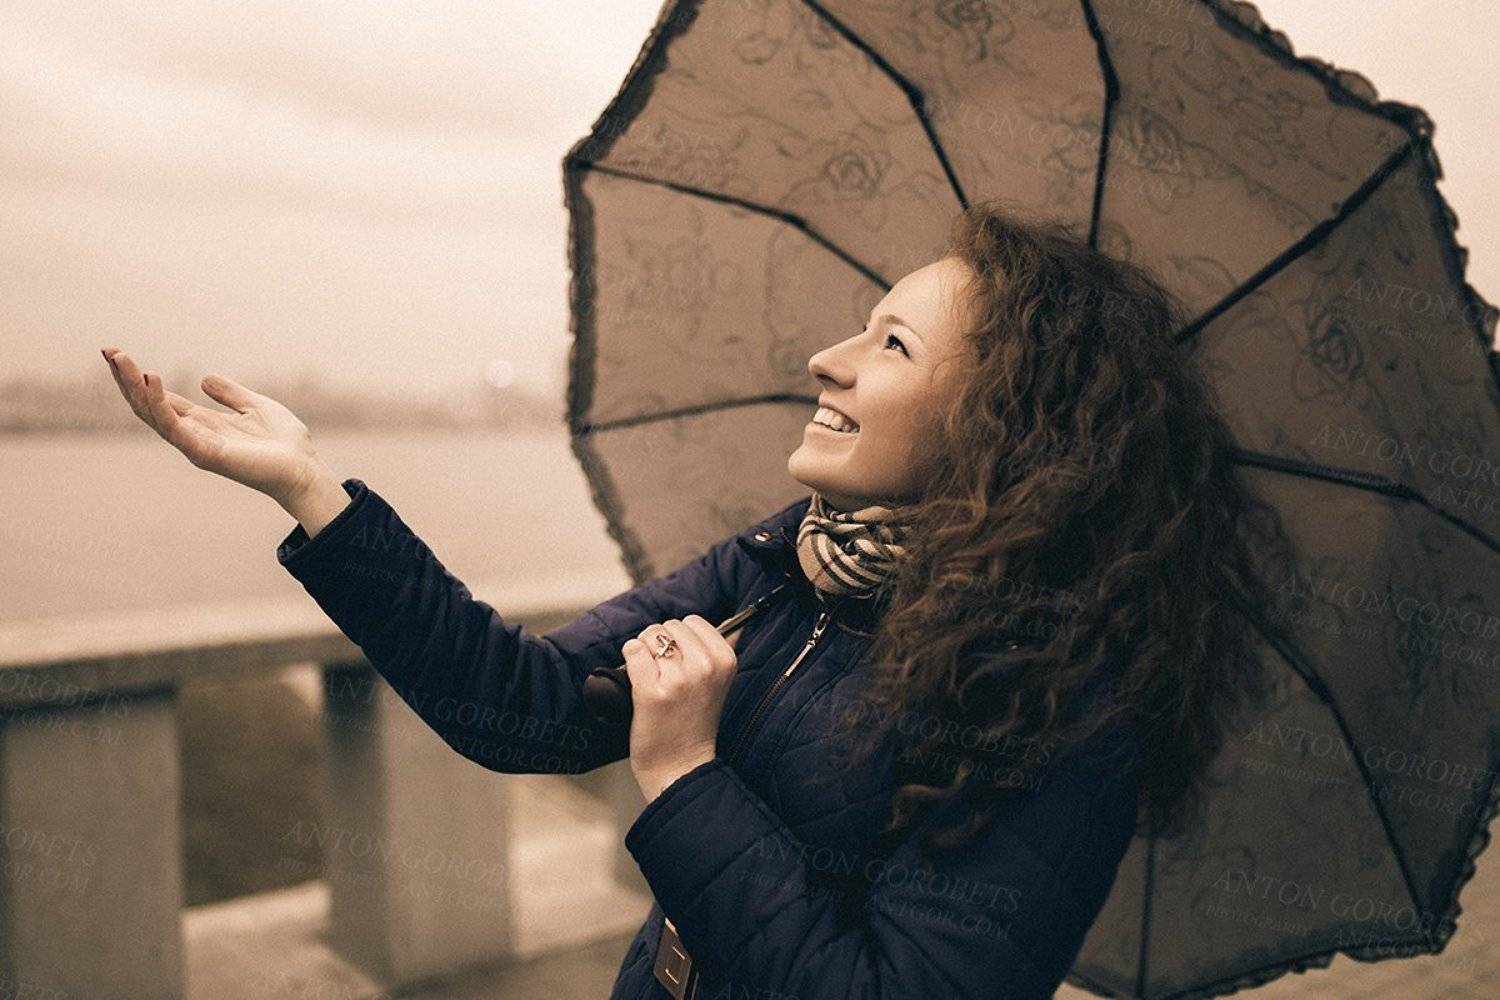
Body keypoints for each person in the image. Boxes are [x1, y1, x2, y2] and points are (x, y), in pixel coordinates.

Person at [101, 200, 1287, 998]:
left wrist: (683, 775)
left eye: (890, 346)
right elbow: (522, 707)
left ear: (1008, 422)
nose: (827, 358)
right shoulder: (786, 564)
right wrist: (313, 492)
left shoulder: (1069, 689)